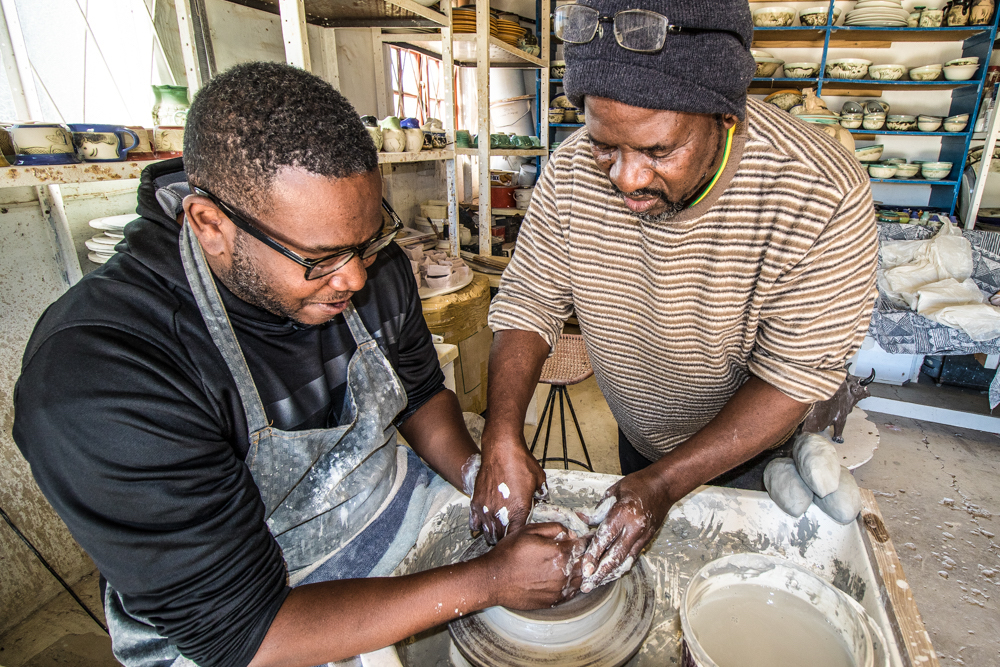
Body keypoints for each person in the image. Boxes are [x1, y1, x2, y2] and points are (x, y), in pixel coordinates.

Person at [13, 62, 585, 667]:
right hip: (254, 626)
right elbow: (242, 635)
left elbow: (416, 392)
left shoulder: (367, 260)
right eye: (320, 258)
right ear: (211, 226)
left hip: (387, 511)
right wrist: (488, 582)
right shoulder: (104, 373)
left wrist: (478, 472)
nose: (356, 276)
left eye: (365, 242)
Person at [472, 0, 878, 594]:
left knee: (737, 600)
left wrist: (666, 485)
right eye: (604, 145)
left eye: (659, 151)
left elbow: (791, 376)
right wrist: (501, 433)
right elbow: (529, 300)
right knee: (652, 579)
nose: (626, 178)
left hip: (759, 458)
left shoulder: (820, 194)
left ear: (725, 116)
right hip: (642, 439)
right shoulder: (570, 175)